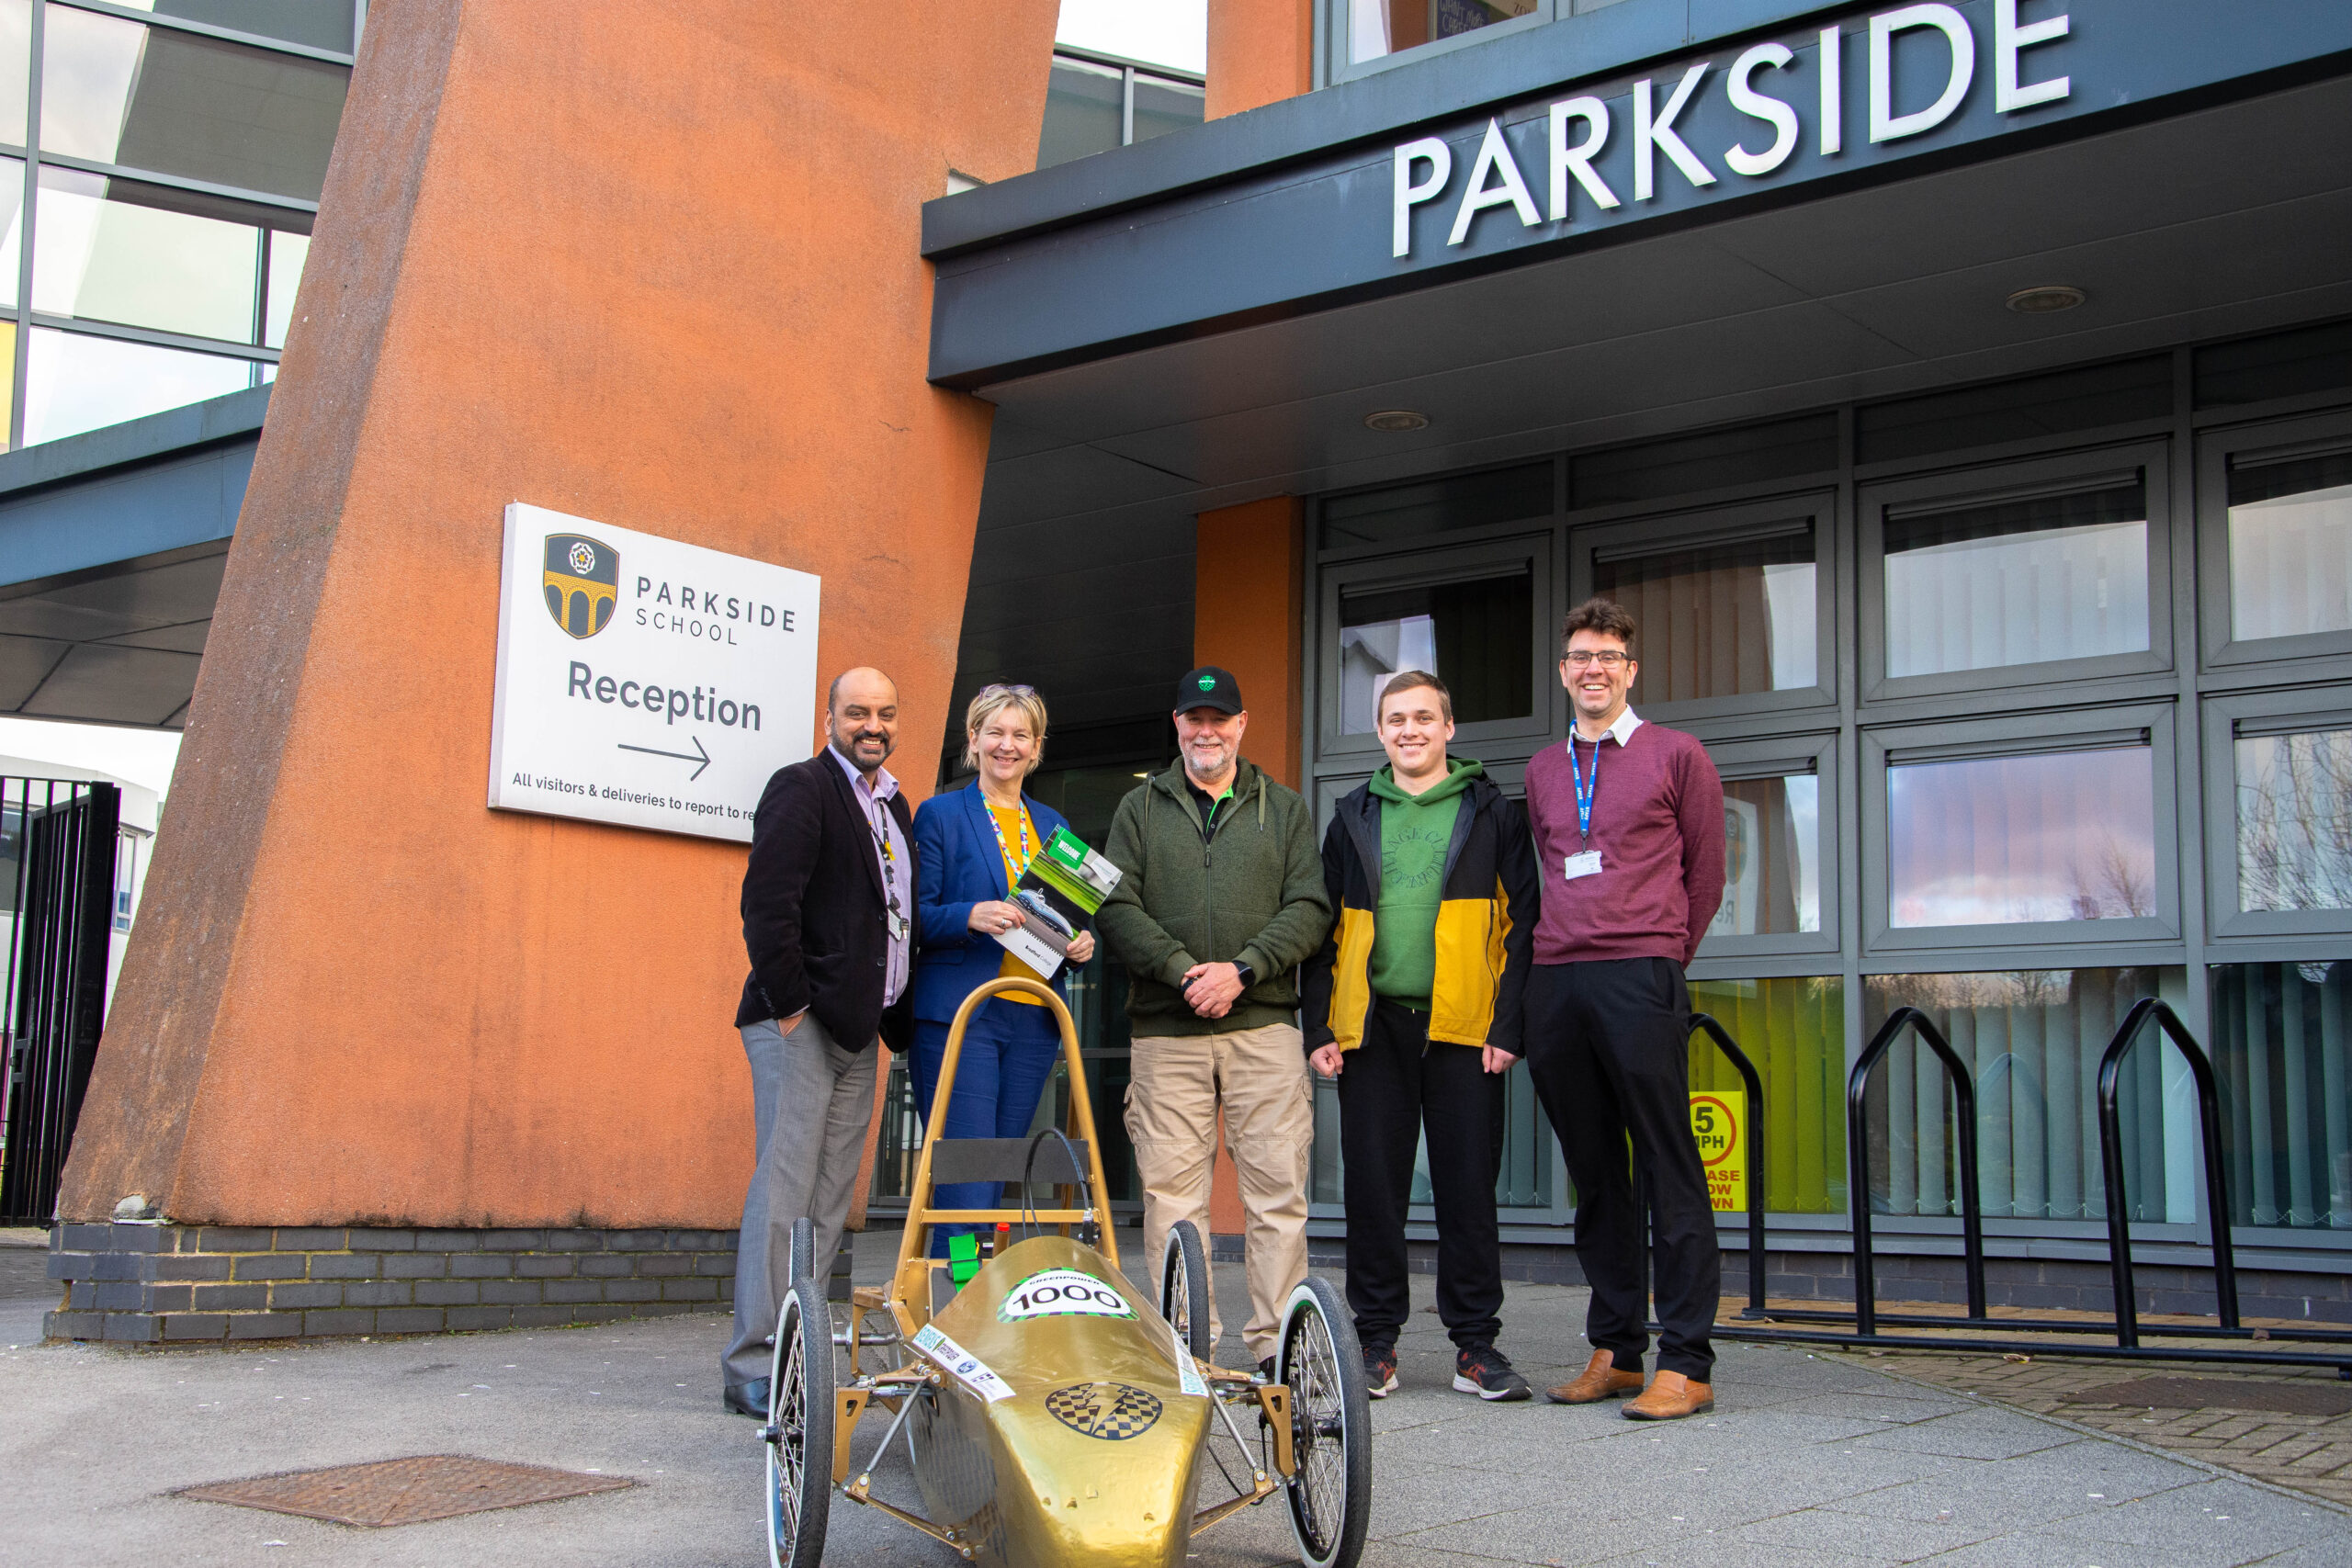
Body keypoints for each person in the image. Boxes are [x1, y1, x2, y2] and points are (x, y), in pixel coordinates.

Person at [1301, 671, 1540, 1403]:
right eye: (1396, 718)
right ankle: (1376, 1345)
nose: (1410, 729)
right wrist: (1320, 1024)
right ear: (1381, 732)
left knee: (1469, 1188)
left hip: (1467, 1030)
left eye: (1423, 717)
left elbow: (1522, 924)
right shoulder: (1351, 817)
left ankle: (1476, 1347)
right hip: (1374, 1029)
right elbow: (1323, 930)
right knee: (1375, 1192)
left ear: (1449, 727)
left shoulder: (1493, 812)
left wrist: (1508, 1023)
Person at [1524, 599, 1726, 1421]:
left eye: (1608, 655)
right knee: (1597, 1173)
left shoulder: (1678, 755)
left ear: (1630, 669)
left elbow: (1705, 874)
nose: (1593, 668)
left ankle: (1686, 1360)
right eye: (1579, 656)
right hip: (1557, 981)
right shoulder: (1543, 769)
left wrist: (1664, 957)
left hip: (1640, 973)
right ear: (1565, 670)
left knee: (1669, 1163)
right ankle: (1615, 1346)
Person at [1097, 666, 1332, 1374]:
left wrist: (1243, 969)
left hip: (1262, 1025)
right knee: (1172, 1200)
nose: (1206, 730)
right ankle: (1185, 1352)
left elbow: (1311, 907)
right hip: (1167, 1034)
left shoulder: (1284, 809)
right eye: (1193, 718)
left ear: (1241, 724)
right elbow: (1114, 905)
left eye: (1219, 718)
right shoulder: (1138, 809)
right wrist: (1181, 969)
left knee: (1277, 1196)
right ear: (1177, 725)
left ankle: (1278, 1349)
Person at [720, 667, 917, 1417]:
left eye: (886, 713)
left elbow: (894, 918)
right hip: (798, 1023)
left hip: (860, 1031)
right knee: (784, 1190)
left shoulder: (894, 805)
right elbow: (767, 903)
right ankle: (751, 1362)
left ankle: (798, 1348)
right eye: (858, 711)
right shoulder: (802, 787)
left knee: (831, 1198)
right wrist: (794, 1004)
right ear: (830, 716)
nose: (873, 724)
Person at [909, 683, 1095, 1254]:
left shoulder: (1052, 822)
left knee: (1000, 1172)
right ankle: (951, 1298)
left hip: (1033, 1018)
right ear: (973, 739)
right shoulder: (940, 814)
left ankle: (980, 1302)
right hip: (964, 1014)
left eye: (1020, 735)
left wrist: (1083, 942)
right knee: (966, 1172)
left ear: (1037, 748)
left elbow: (1066, 914)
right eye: (995, 732)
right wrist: (970, 913)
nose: (1006, 746)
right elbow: (913, 916)